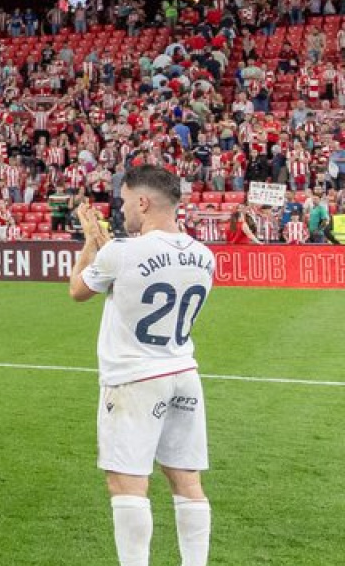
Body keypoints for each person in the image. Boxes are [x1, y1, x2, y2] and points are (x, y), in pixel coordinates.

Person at [69, 166, 214, 566]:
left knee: (127, 484)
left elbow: (77, 290)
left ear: (144, 202)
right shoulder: (204, 255)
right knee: (187, 483)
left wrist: (90, 243)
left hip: (134, 379)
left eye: (125, 201)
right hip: (183, 372)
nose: (122, 209)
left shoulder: (121, 252)